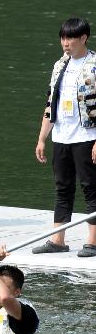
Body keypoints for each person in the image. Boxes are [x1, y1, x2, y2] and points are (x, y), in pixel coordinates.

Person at [33, 17, 96, 258]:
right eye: (63, 37)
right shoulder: (60, 65)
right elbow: (51, 103)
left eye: (70, 38)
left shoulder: (94, 64)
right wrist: (42, 138)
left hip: (87, 135)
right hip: (61, 136)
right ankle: (58, 240)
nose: (65, 43)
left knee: (91, 188)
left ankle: (92, 241)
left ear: (83, 38)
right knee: (62, 188)